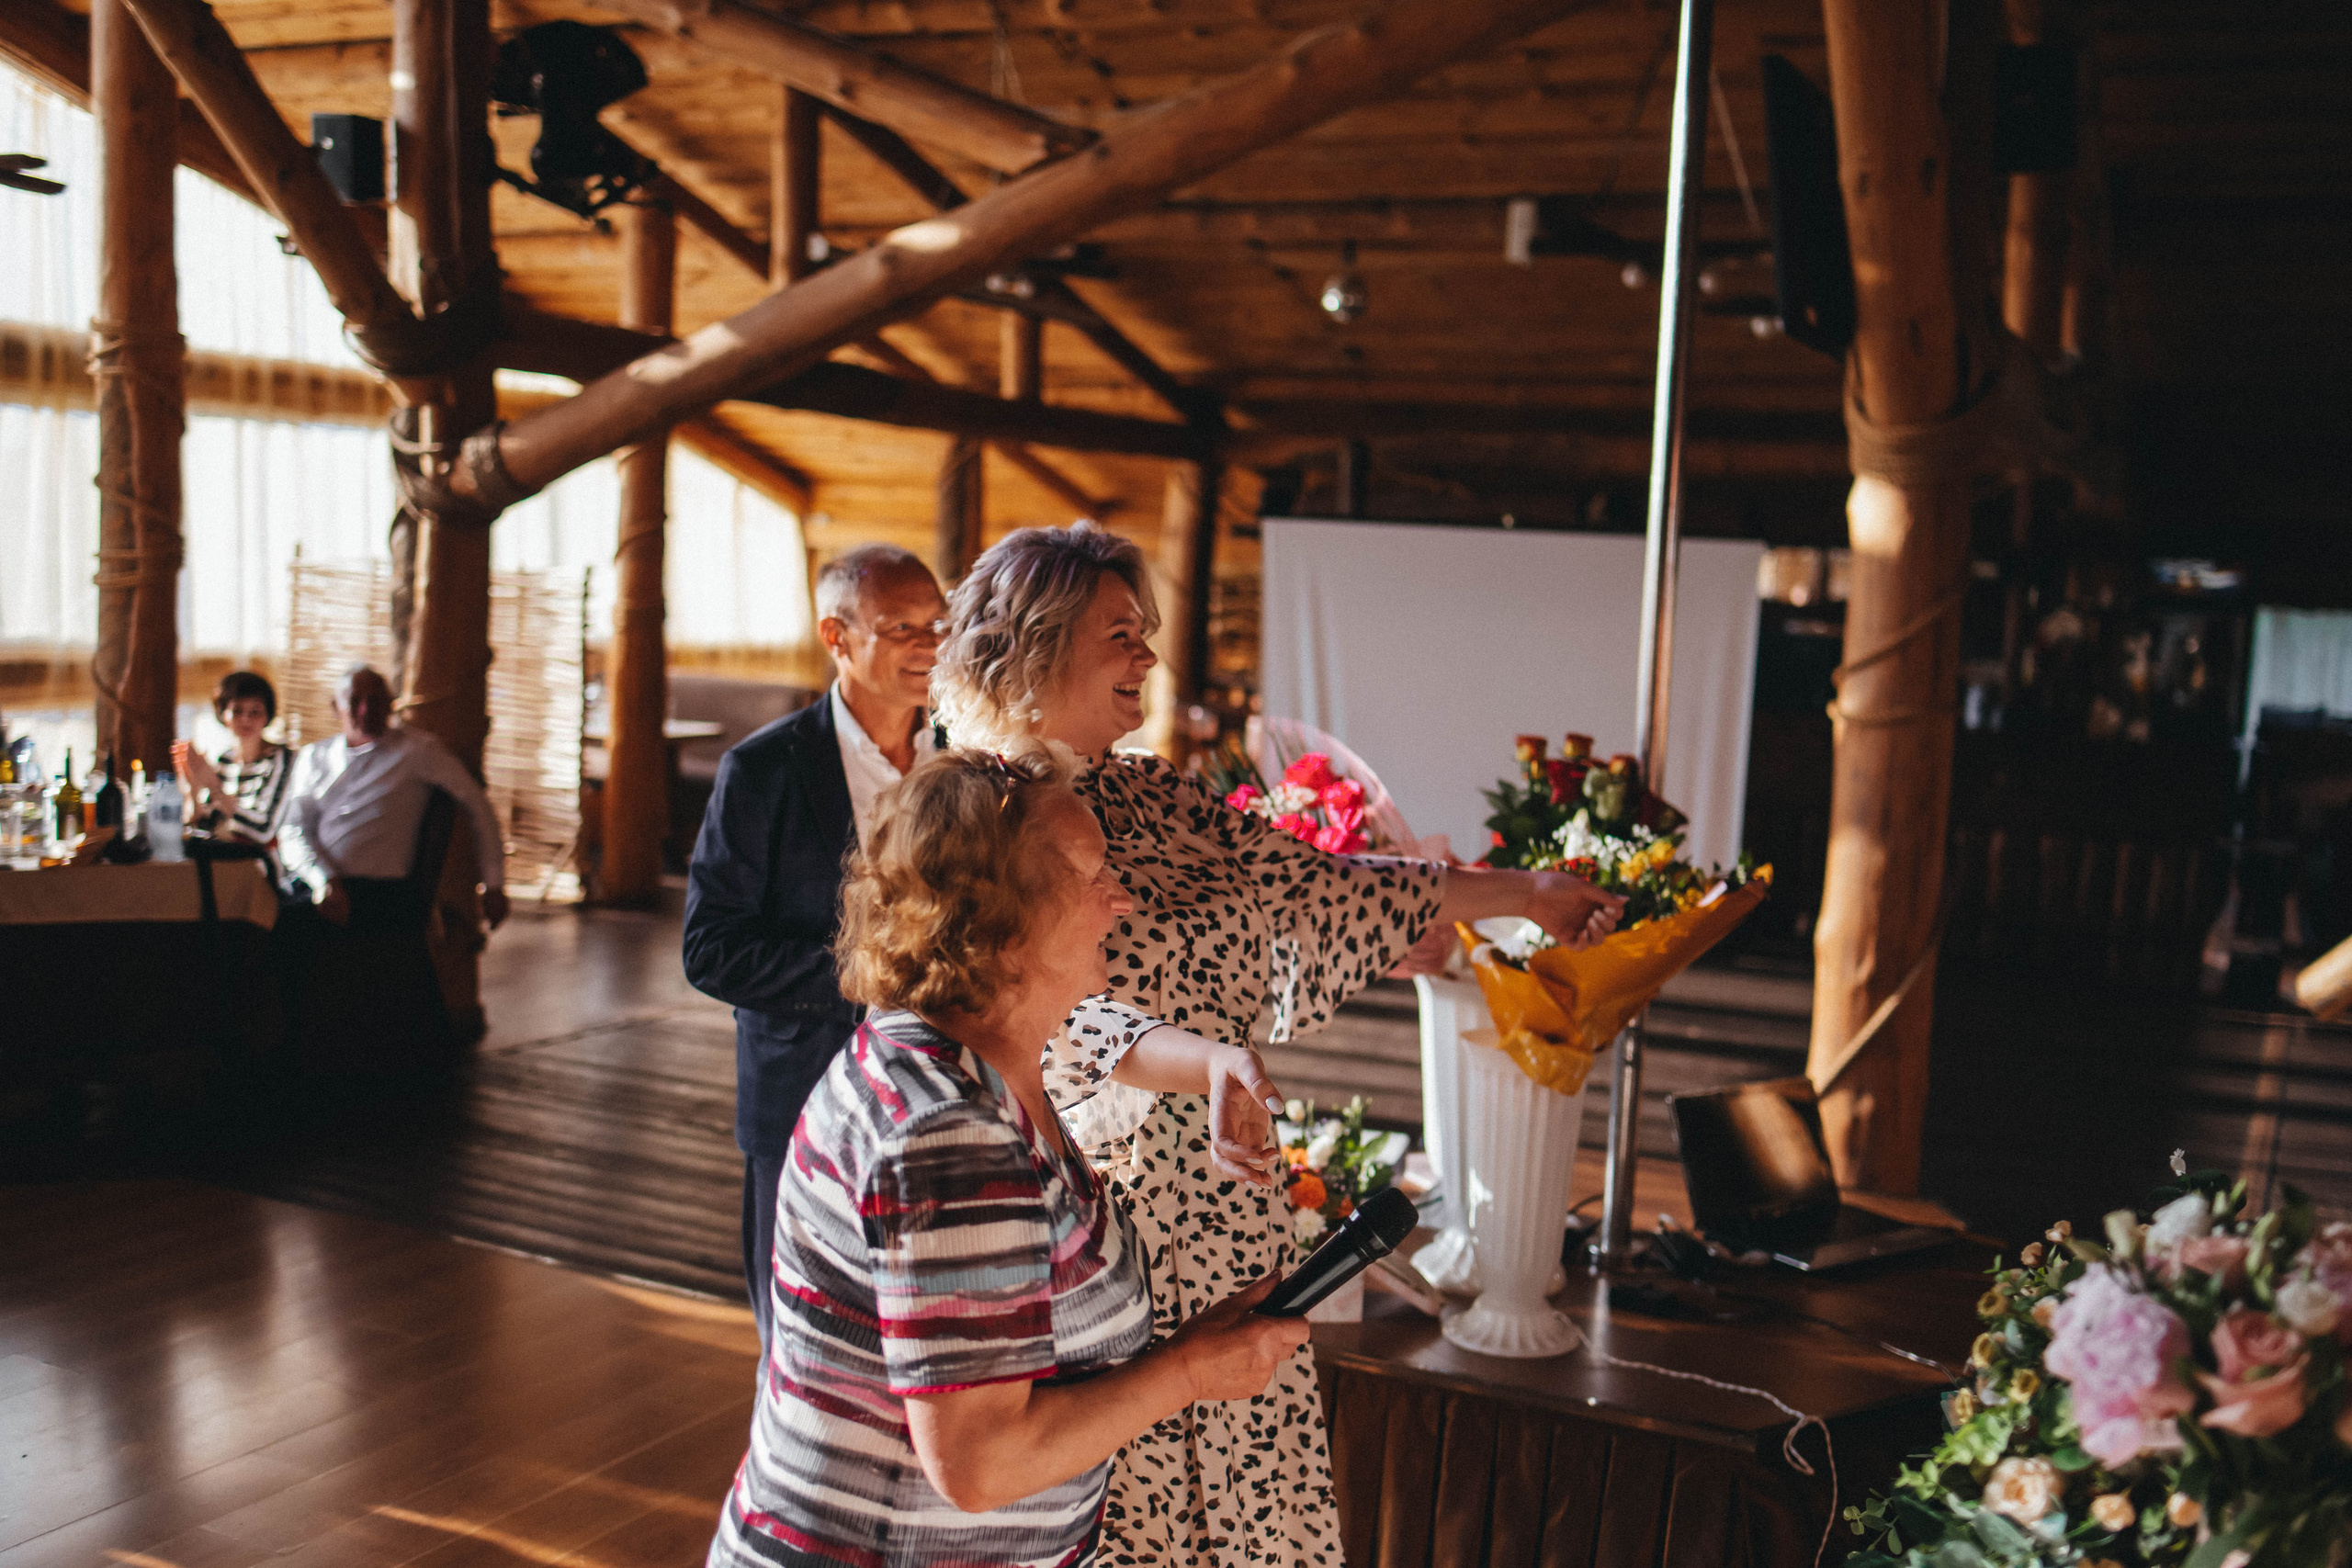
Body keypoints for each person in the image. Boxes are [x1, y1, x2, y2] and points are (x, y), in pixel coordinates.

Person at [932, 524, 1624, 1568]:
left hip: (1228, 1203)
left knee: (1255, 1516)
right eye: (1121, 634)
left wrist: (1525, 896)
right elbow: (1053, 1019)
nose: (1148, 660)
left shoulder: (1152, 792)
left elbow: (1320, 887)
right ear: (1036, 642)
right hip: (1098, 1230)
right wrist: (1204, 1062)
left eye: (1147, 635)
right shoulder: (974, 815)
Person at [707, 749, 1310, 1568]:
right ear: (1000, 919)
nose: (1119, 899)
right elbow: (981, 1462)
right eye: (1092, 875)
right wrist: (1190, 1371)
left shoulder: (970, 1061)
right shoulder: (946, 1134)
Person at [682, 544, 950, 1347]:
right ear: (836, 636)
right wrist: (867, 977)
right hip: (802, 1091)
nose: (929, 645)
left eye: (938, 623)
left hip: (942, 1095)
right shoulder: (762, 769)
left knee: (920, 1340)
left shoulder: (965, 761)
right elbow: (711, 947)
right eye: (901, 626)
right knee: (798, 1342)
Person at [277, 665, 509, 933]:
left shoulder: (417, 751)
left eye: (374, 700)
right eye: (354, 701)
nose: (365, 710)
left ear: (390, 705)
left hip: (381, 892)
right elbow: (293, 830)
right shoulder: (314, 757)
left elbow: (477, 804)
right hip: (319, 882)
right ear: (335, 707)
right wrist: (323, 880)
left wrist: (494, 884)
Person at [172, 671, 294, 851]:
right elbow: (203, 825)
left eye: (255, 711)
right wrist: (192, 787)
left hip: (262, 865)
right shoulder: (225, 760)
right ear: (222, 714)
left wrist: (214, 787)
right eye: (237, 711)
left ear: (268, 716)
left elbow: (264, 831)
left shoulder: (282, 759)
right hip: (224, 861)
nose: (246, 719)